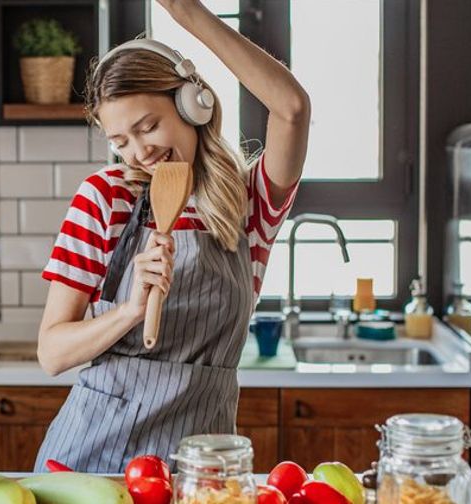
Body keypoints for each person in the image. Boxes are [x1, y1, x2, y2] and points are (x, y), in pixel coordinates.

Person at [34, 0, 310, 473]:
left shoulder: (247, 203)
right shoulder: (104, 198)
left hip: (200, 465)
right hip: (90, 462)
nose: (140, 152)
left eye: (148, 126)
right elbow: (52, 353)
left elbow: (292, 108)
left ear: (192, 105)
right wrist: (130, 311)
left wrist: (187, 14)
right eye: (121, 141)